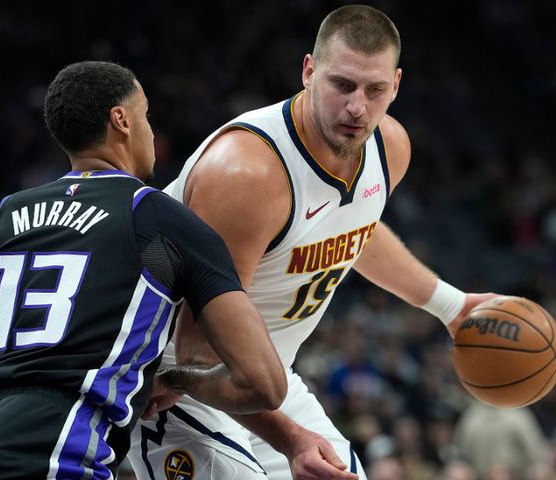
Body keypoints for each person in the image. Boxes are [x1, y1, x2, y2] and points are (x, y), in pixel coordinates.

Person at [129, 5, 498, 480]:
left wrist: (451, 305)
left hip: (259, 381)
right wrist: (291, 439)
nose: (357, 107)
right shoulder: (247, 174)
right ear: (308, 71)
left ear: (396, 85)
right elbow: (196, 353)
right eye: (342, 85)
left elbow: (353, 230)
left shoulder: (389, 147)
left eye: (374, 90)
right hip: (169, 380)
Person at [0, 60, 287, 480]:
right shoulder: (157, 220)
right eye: (145, 114)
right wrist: (176, 379)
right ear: (122, 120)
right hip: (48, 443)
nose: (151, 130)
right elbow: (264, 383)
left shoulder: (6, 216)